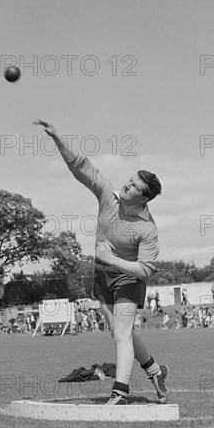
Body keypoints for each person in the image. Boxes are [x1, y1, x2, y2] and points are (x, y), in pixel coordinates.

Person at [34, 119, 167, 405]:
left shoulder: (147, 228)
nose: (125, 185)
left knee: (121, 333)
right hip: (102, 275)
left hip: (129, 277)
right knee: (120, 332)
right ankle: (155, 371)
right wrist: (57, 137)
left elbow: (145, 270)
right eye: (129, 180)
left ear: (144, 198)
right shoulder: (109, 195)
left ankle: (120, 391)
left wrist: (111, 257)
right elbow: (82, 166)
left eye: (133, 187)